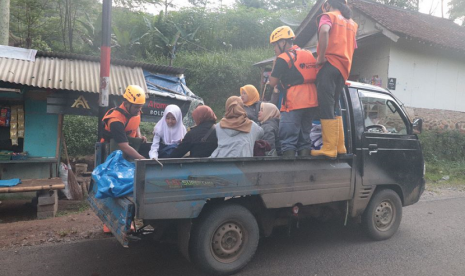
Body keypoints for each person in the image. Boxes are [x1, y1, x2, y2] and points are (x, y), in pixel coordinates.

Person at [311, 0, 358, 158]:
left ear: (328, 4)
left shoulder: (328, 16)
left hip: (329, 64)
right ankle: (339, 146)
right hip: (343, 69)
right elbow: (353, 47)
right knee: (335, 105)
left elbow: (324, 31)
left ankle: (329, 148)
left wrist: (321, 57)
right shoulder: (352, 24)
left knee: (326, 105)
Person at [268, 26, 319, 157]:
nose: (274, 48)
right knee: (305, 139)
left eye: (275, 45)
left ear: (282, 42)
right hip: (311, 101)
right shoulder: (308, 54)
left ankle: (289, 171)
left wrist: (275, 65)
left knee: (288, 140)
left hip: (294, 101)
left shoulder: (283, 58)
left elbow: (272, 82)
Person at [101, 85, 147, 160]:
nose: (139, 110)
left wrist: (139, 136)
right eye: (136, 107)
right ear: (126, 103)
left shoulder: (135, 112)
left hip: (130, 150)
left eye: (140, 107)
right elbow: (124, 146)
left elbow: (135, 123)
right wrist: (143, 159)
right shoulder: (115, 120)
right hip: (112, 154)